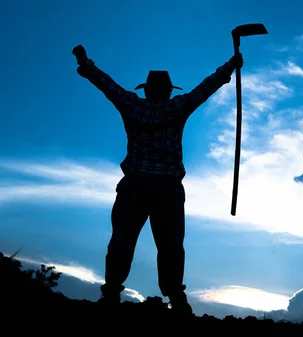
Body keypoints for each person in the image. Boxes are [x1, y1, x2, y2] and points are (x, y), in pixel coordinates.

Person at [72, 44, 243, 316]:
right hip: (167, 189)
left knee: (122, 240)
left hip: (135, 186)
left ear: (147, 90)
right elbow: (205, 88)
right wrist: (230, 66)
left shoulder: (131, 105)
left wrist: (85, 63)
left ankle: (111, 294)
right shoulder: (178, 107)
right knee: (171, 244)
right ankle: (176, 298)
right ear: (167, 91)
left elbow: (108, 85)